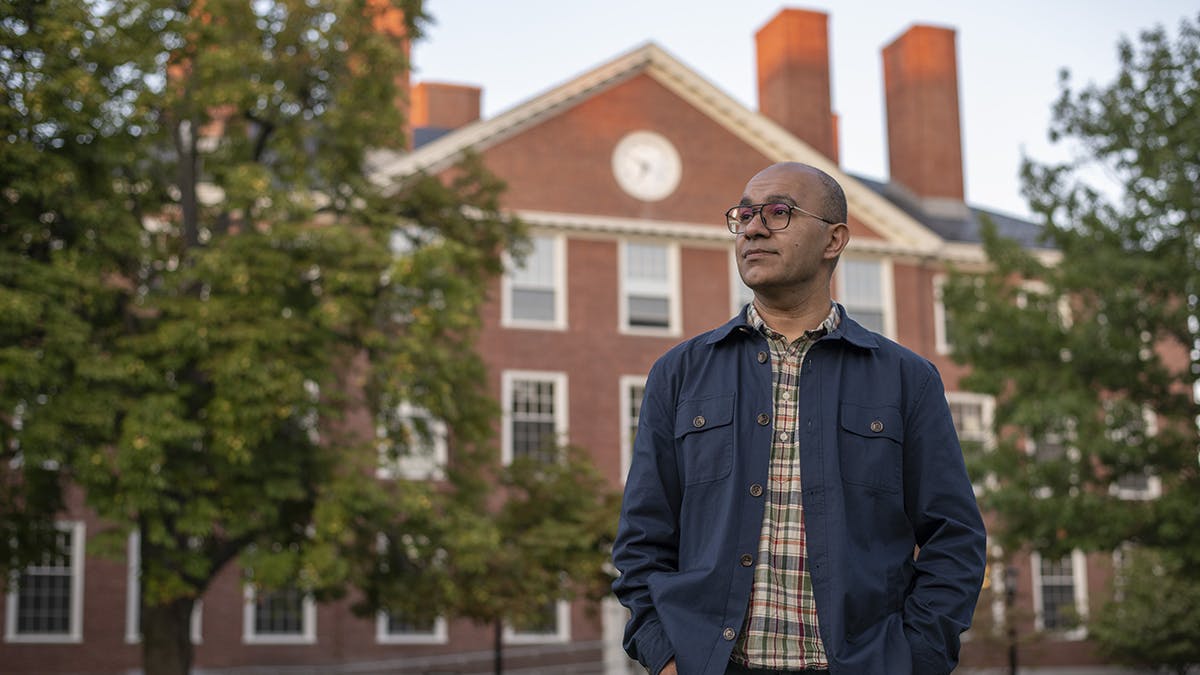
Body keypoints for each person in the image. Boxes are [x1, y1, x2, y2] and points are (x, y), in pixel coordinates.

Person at [611, 162, 987, 675]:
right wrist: (666, 656)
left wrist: (916, 657)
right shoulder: (678, 375)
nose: (753, 227)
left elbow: (955, 537)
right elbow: (640, 542)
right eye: (744, 214)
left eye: (778, 212)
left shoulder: (906, 379)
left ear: (834, 240)